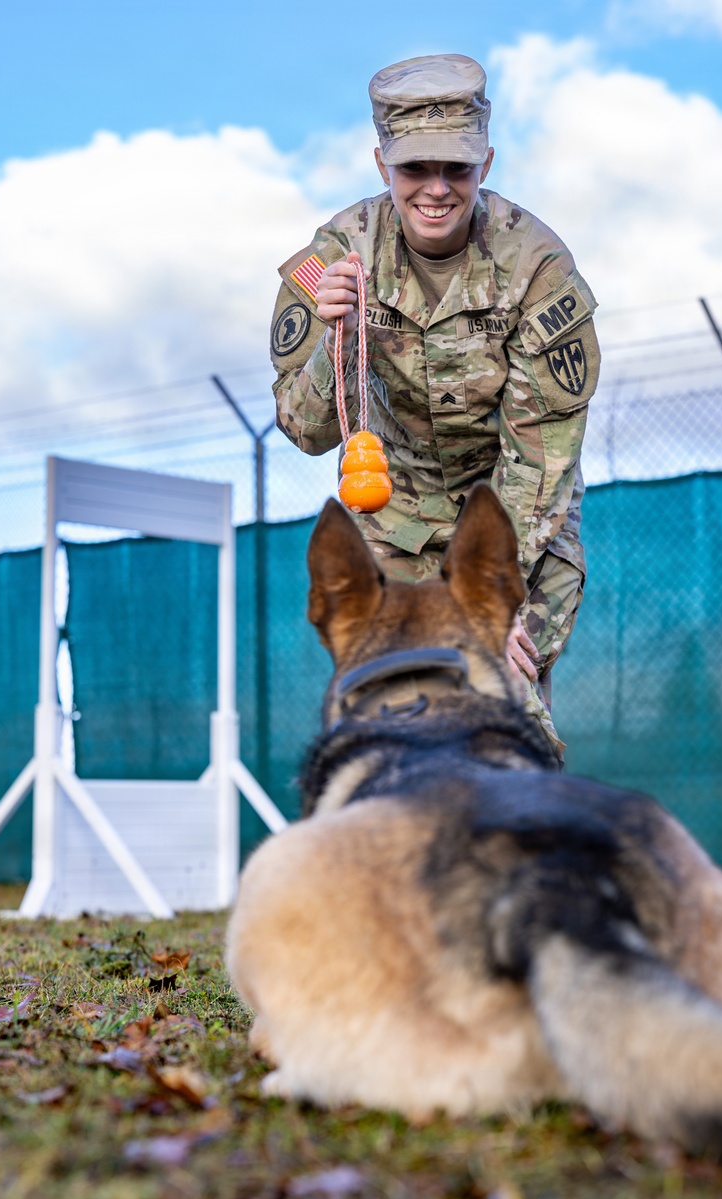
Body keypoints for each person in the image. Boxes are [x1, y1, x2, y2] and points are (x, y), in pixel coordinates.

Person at [270, 53, 600, 756]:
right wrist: (340, 339)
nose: (437, 190)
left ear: (486, 160)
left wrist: (488, 599)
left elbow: (538, 461)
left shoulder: (536, 268)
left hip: (514, 520)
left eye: (457, 169)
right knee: (387, 705)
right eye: (415, 169)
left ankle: (526, 852)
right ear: (382, 162)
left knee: (503, 705)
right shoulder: (336, 256)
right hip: (395, 517)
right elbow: (304, 429)